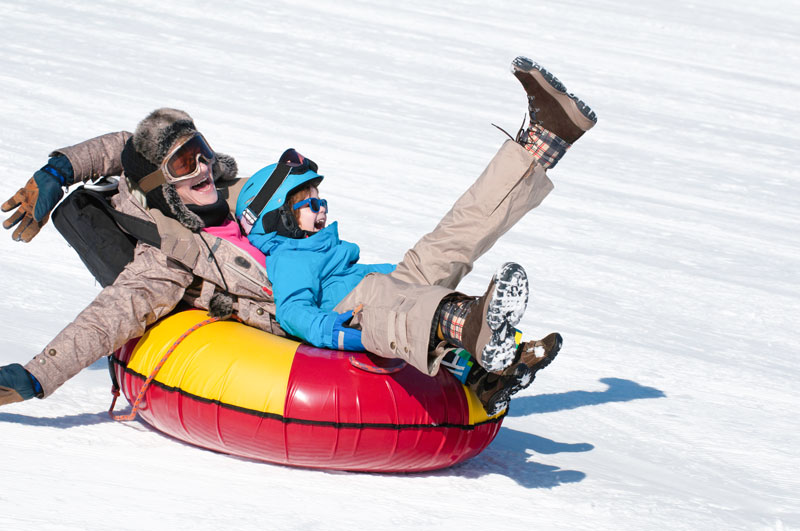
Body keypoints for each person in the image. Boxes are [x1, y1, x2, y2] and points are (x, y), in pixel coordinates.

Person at [236, 56, 596, 413]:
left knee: (448, 241)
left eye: (322, 200)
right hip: (356, 313)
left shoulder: (319, 250)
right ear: (279, 219)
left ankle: (545, 141)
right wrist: (328, 329)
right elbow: (292, 310)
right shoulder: (289, 257)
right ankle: (476, 327)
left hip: (386, 287)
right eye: (311, 204)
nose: (323, 209)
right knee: (400, 298)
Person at [0, 108, 286, 406]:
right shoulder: (173, 255)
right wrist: (39, 375)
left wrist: (59, 169)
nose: (203, 167)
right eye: (185, 164)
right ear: (162, 188)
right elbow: (114, 314)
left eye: (201, 150)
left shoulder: (228, 195)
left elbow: (126, 146)